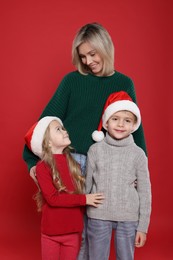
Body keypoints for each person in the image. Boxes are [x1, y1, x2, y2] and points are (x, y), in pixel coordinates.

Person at [23, 22, 147, 259]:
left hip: (109, 165)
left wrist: (138, 170)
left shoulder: (124, 83)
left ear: (105, 48)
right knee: (75, 231)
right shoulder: (71, 81)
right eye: (83, 56)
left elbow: (136, 129)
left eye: (92, 54)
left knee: (96, 229)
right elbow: (45, 123)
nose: (88, 61)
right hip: (74, 163)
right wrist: (31, 161)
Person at [24, 116, 104, 260]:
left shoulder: (74, 164)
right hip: (51, 233)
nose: (64, 131)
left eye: (63, 128)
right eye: (58, 129)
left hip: (73, 232)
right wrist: (85, 199)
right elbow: (53, 199)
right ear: (48, 142)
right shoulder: (43, 167)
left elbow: (92, 183)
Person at [85, 91, 152, 260]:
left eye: (127, 120)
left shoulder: (138, 154)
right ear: (106, 123)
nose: (121, 124)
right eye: (115, 118)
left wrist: (142, 227)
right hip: (98, 214)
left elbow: (145, 192)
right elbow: (85, 185)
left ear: (134, 125)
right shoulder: (95, 150)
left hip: (128, 217)